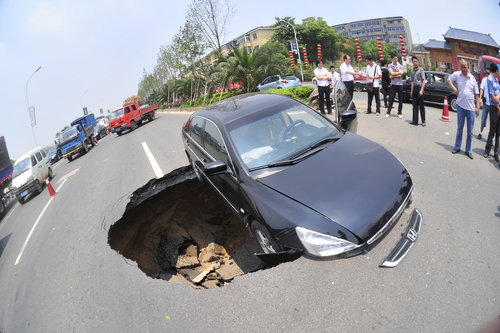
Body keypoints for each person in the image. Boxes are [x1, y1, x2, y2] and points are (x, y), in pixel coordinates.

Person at [447, 59, 480, 160]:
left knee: (470, 131)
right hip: (461, 106)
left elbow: (477, 94)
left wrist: (478, 107)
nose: (463, 69)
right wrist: (455, 89)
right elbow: (449, 80)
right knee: (460, 128)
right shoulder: (457, 74)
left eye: (465, 67)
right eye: (462, 67)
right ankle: (457, 147)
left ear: (468, 67)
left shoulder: (472, 78)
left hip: (470, 108)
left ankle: (468, 150)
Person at [483, 63, 500, 162]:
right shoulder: (489, 79)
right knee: (492, 131)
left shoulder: (497, 80)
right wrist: (498, 108)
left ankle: (496, 153)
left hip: (498, 107)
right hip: (494, 108)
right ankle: (487, 150)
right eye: (498, 72)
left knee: (498, 132)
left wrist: (498, 97)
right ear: (496, 71)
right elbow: (492, 97)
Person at [409, 56, 427, 126]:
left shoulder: (421, 70)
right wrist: (411, 91)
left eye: (416, 61)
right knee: (414, 106)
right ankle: (415, 121)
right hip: (414, 89)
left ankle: (423, 121)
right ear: (412, 62)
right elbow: (412, 81)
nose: (415, 63)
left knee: (421, 106)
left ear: (418, 62)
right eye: (414, 61)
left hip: (419, 88)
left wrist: (422, 90)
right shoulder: (412, 70)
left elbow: (424, 81)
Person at [477, 69, 490, 139]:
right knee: (483, 119)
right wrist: (480, 98)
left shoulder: (494, 80)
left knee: (492, 121)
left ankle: (490, 136)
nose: (487, 74)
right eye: (486, 73)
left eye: (488, 73)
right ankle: (480, 133)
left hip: (492, 104)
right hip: (485, 103)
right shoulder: (484, 80)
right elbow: (481, 89)